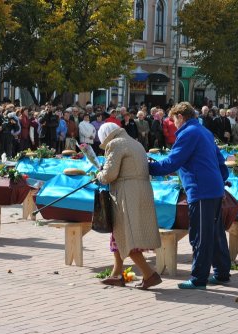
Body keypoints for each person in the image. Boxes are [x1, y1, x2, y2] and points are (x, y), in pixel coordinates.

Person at [148, 102, 230, 289]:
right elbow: (221, 163)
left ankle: (199, 278)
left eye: (173, 120)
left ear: (181, 117)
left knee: (200, 235)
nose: (173, 124)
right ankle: (222, 273)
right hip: (213, 188)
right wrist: (219, 182)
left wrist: (148, 167)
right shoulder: (204, 131)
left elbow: (173, 161)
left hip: (200, 190)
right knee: (215, 233)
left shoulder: (188, 133)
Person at [96, 123, 162, 290]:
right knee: (120, 234)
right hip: (142, 192)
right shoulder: (136, 143)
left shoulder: (115, 144)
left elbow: (110, 174)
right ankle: (117, 274)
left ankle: (149, 274)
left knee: (127, 235)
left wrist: (99, 174)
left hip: (126, 194)